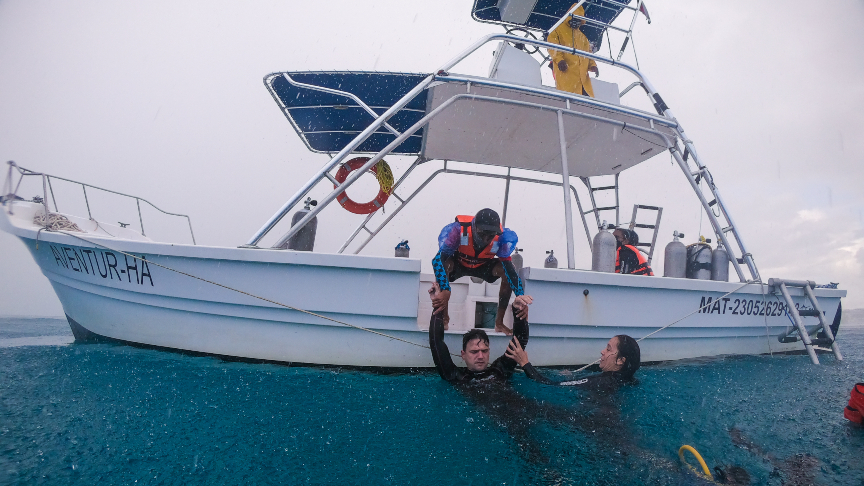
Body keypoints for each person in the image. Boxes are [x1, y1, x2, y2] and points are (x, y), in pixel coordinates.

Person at [430, 208, 532, 334]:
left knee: (506, 269)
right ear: (473, 227)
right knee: (444, 264)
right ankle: (444, 318)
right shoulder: (458, 231)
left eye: (491, 235)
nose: (486, 239)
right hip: (459, 264)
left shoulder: (501, 238)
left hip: (483, 267)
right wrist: (446, 289)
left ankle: (499, 323)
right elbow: (437, 260)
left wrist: (520, 296)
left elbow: (510, 270)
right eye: (482, 233)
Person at [428, 301, 529, 384]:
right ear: (463, 355)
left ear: (489, 352)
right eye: (474, 352)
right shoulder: (456, 377)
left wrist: (517, 309)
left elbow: (520, 340)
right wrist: (439, 303)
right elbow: (436, 342)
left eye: (484, 351)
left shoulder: (500, 370)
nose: (480, 356)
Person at [505, 334, 641, 388]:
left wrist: (525, 364)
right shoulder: (632, 381)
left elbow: (552, 384)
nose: (602, 351)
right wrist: (574, 376)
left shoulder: (601, 381)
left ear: (620, 361)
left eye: (608, 349)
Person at [547, 4, 598, 97]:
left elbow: (588, 54)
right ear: (569, 17)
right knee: (568, 99)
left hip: (583, 81)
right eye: (574, 19)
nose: (576, 22)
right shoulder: (557, 30)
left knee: (587, 103)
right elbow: (552, 47)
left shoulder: (583, 37)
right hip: (567, 76)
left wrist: (593, 65)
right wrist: (560, 60)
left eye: (579, 20)